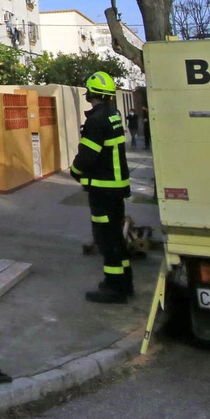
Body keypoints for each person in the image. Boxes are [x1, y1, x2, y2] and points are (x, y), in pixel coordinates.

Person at [70, 71, 131, 303]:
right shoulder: (113, 115)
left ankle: (114, 288)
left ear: (91, 93)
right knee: (117, 236)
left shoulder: (96, 121)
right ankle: (125, 283)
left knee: (106, 239)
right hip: (116, 188)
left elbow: (87, 156)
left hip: (103, 189)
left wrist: (75, 172)